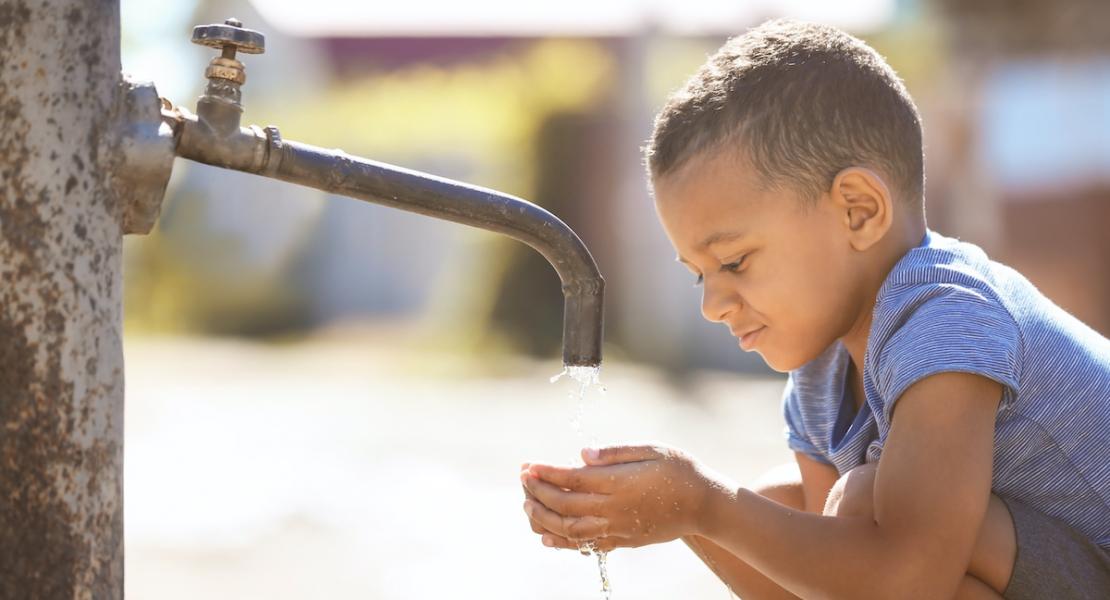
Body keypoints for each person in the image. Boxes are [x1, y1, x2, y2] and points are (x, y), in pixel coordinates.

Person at [519, 19, 1110, 600]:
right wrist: (682, 517)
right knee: (785, 507)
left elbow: (906, 581)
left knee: (855, 507)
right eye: (699, 274)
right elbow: (817, 585)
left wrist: (705, 504)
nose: (712, 305)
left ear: (857, 211)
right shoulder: (822, 371)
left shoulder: (945, 316)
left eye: (734, 262)